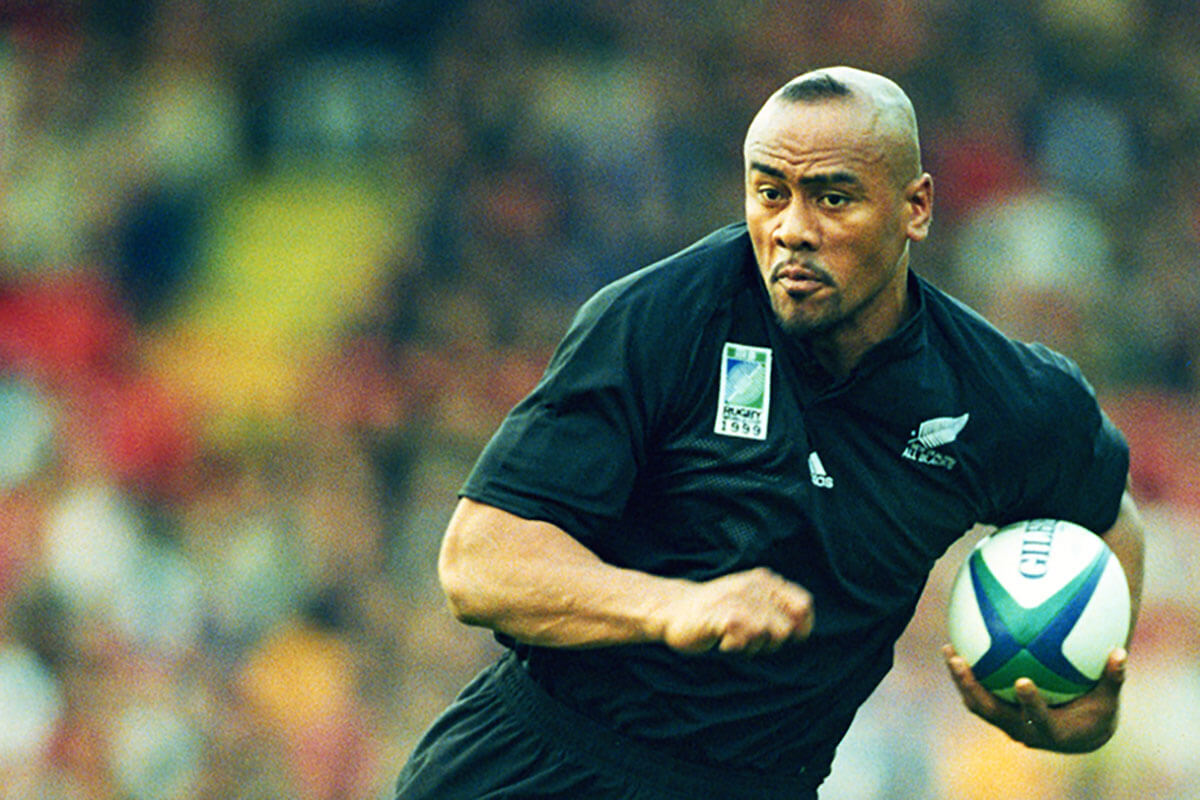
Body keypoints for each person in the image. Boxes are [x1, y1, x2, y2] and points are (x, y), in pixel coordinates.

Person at [394, 65, 1146, 800]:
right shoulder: (662, 319)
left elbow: (1109, 515)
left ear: (916, 207)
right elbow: (479, 561)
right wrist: (673, 606)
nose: (792, 230)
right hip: (541, 766)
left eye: (833, 198)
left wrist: (1086, 688)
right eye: (770, 193)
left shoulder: (1000, 394)